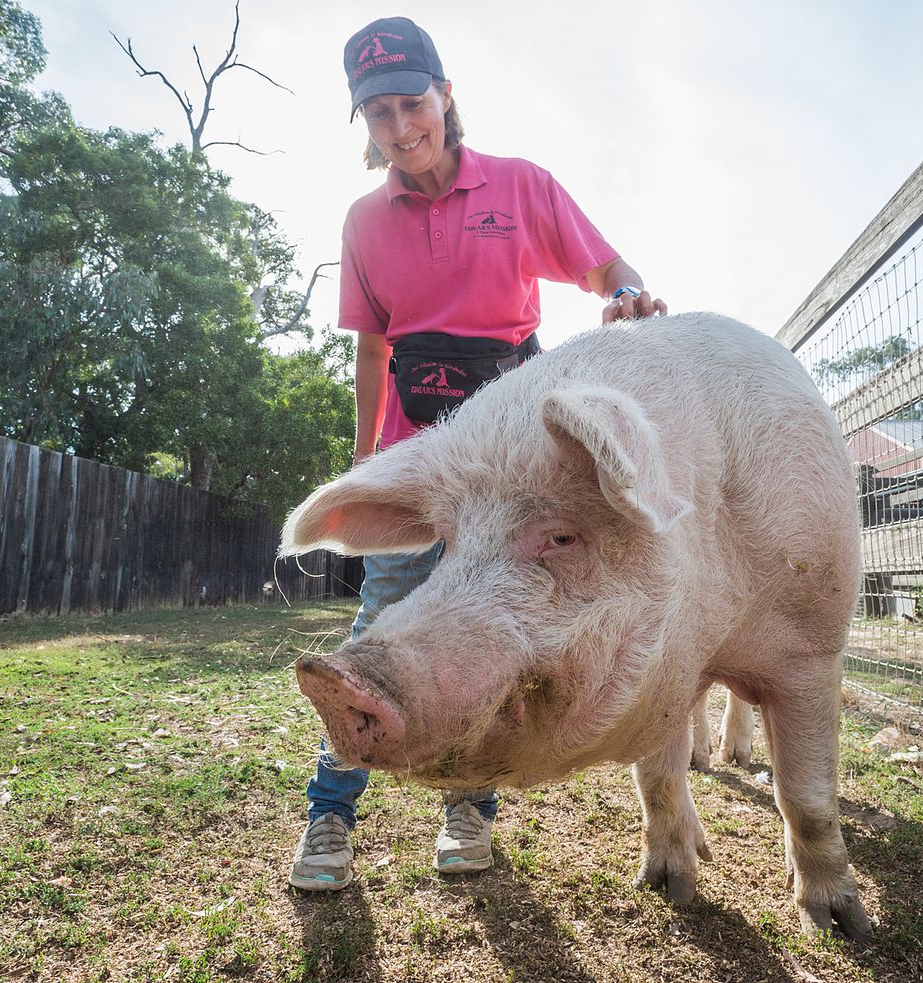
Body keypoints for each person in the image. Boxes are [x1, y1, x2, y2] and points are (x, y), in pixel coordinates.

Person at [289, 15, 667, 893]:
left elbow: (608, 269)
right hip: (418, 454)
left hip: (509, 468)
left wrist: (633, 296)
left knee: (491, 628)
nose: (399, 128)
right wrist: (361, 470)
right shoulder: (363, 221)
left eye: (411, 104)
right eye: (377, 114)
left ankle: (468, 807)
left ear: (445, 96)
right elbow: (373, 353)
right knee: (374, 625)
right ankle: (329, 817)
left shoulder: (520, 186)